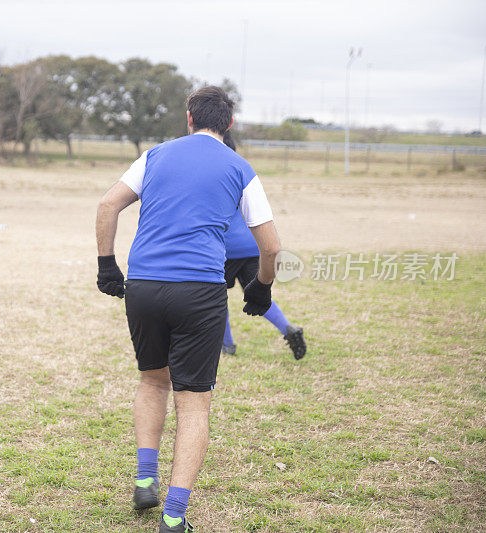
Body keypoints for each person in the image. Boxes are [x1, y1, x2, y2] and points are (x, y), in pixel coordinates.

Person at [96, 86, 281, 532]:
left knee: (152, 381)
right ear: (230, 124)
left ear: (189, 118)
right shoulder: (240, 167)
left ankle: (145, 480)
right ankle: (174, 516)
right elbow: (272, 246)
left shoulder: (155, 155)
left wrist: (107, 267)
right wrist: (261, 289)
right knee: (194, 404)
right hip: (199, 291)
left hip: (142, 286)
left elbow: (107, 204)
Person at [221, 131, 306, 360]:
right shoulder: (242, 171)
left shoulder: (211, 174)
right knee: (257, 293)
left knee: (216, 295)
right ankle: (287, 328)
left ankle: (227, 345)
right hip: (252, 244)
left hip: (225, 247)